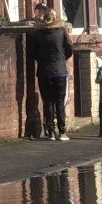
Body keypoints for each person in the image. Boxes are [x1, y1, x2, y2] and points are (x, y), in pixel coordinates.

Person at [30, 9, 73, 141]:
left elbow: (33, 53)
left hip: (44, 72)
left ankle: (50, 131)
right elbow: (70, 48)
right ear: (55, 18)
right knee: (60, 102)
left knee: (47, 102)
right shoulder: (61, 32)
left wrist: (42, 61)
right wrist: (61, 59)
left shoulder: (37, 34)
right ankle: (62, 131)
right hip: (59, 71)